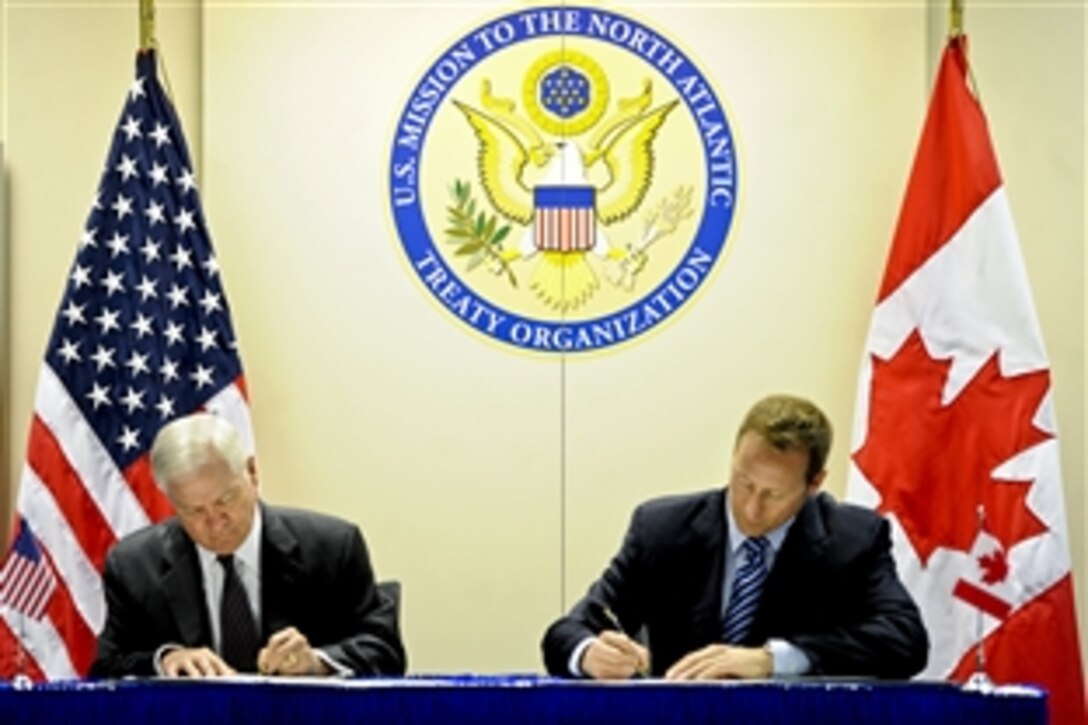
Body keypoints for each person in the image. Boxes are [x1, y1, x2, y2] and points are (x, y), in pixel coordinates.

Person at [542, 394, 928, 680]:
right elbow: (567, 632)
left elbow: (905, 642)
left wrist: (774, 660)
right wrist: (590, 653)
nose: (752, 509)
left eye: (774, 494)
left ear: (814, 484)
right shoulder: (663, 529)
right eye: (744, 483)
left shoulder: (852, 538)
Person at [90, 412, 406, 678]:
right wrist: (164, 660)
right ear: (171, 502)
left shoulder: (332, 547)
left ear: (252, 473)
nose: (215, 521)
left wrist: (317, 662)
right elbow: (106, 666)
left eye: (225, 499)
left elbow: (384, 649)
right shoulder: (134, 565)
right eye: (194, 511)